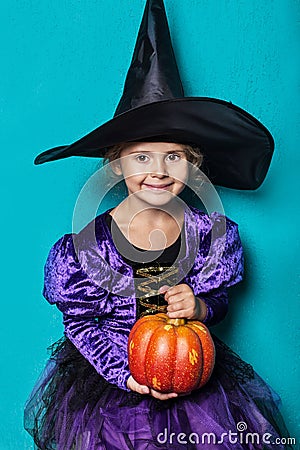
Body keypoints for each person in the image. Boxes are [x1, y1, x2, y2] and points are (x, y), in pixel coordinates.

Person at [24, 1, 293, 449]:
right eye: (142, 156)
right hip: (113, 386)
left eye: (176, 156)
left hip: (192, 374)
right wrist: (125, 375)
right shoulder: (85, 248)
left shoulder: (209, 234)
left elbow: (220, 301)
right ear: (115, 165)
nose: (159, 170)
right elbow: (82, 323)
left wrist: (201, 307)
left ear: (195, 166)